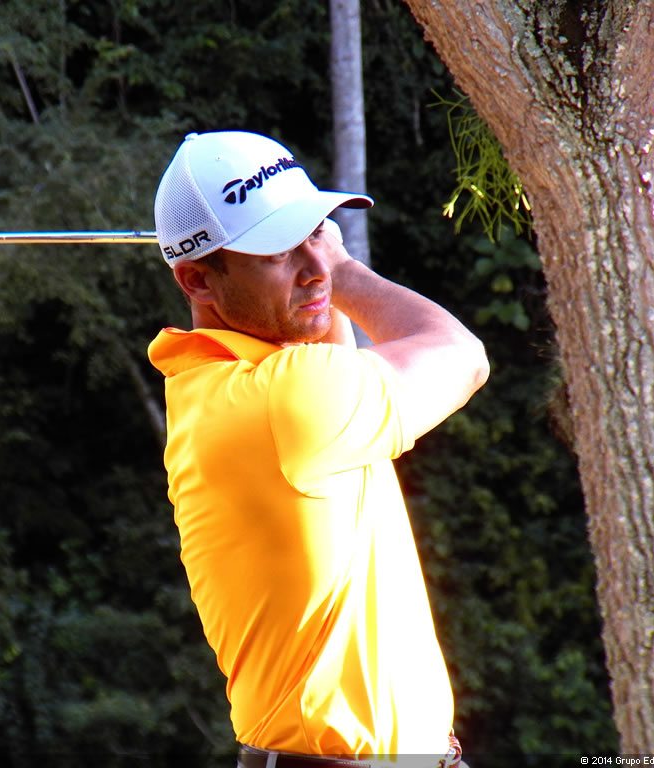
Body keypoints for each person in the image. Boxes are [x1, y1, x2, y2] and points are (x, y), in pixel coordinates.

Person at [146, 131, 489, 768]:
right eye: (279, 252)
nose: (314, 266)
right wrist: (347, 271)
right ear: (197, 280)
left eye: (316, 233)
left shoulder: (228, 385)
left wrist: (308, 266)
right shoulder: (286, 399)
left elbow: (322, 339)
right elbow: (463, 357)